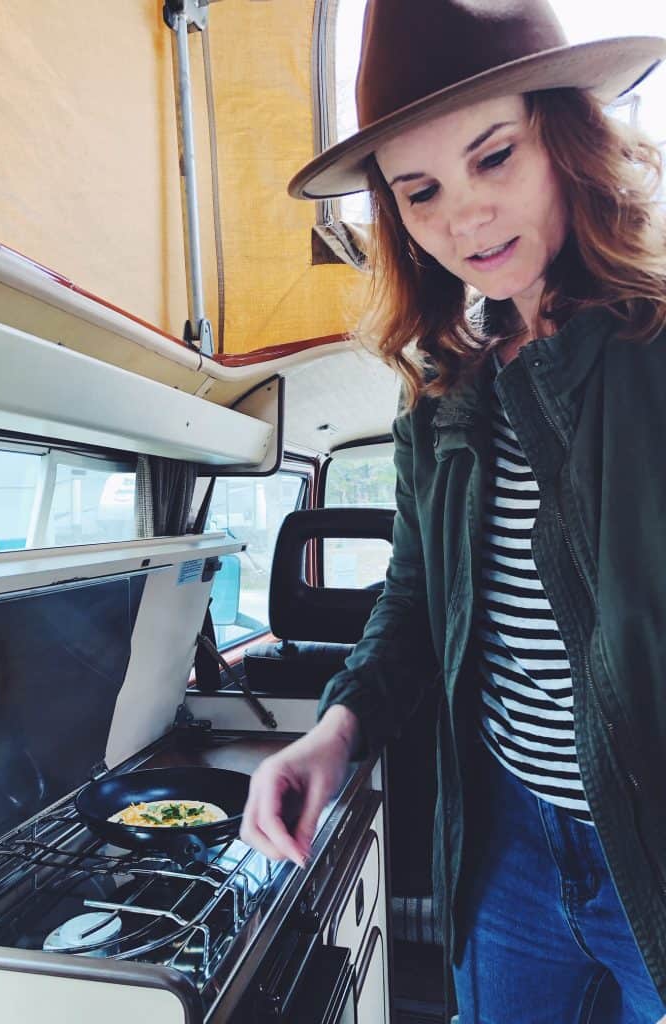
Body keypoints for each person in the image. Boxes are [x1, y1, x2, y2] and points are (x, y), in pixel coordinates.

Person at [239, 1, 666, 1021]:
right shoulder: (444, 379)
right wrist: (333, 731)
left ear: (565, 135)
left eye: (493, 156)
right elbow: (417, 589)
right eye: (419, 191)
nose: (462, 220)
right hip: (508, 841)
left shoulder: (651, 345)